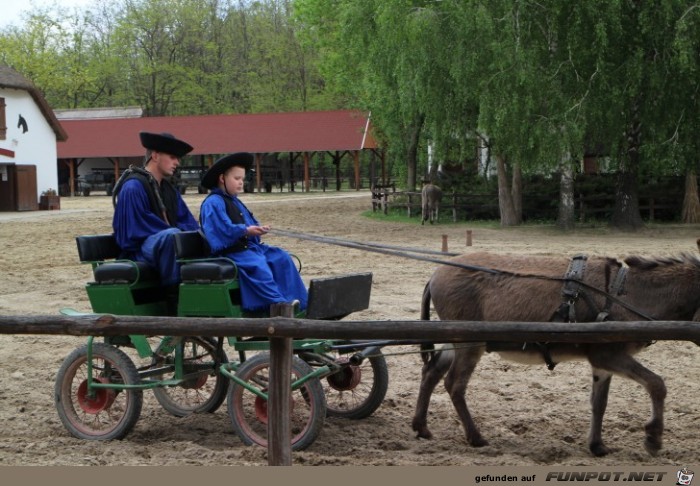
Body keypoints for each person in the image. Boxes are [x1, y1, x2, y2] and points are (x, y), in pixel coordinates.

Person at [199, 152, 308, 313]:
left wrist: (258, 229)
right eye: (237, 179)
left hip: (247, 248)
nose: (241, 183)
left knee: (281, 257)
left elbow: (249, 224)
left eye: (242, 179)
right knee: (257, 265)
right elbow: (222, 230)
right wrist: (245, 230)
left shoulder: (234, 200)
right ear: (222, 179)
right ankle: (277, 304)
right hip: (230, 253)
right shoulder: (213, 202)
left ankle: (302, 303)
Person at [112, 132, 199, 289]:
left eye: (178, 158)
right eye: (172, 157)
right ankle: (173, 295)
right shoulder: (133, 187)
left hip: (166, 246)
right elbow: (134, 231)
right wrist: (175, 233)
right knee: (172, 236)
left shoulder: (169, 191)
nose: (177, 163)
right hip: (138, 251)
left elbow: (187, 221)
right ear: (156, 155)